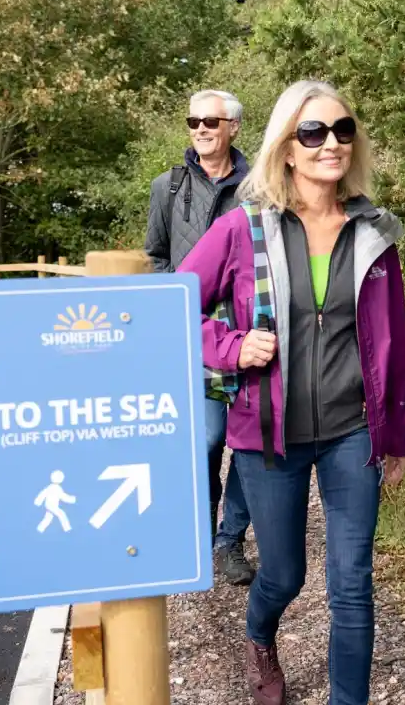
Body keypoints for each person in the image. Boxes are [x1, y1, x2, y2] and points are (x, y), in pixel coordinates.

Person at [178, 80, 405, 705]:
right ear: (286, 148)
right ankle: (260, 634)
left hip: (352, 433)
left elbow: (395, 340)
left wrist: (396, 435)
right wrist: (230, 348)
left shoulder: (374, 231)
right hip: (267, 437)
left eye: (342, 130)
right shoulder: (241, 229)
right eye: (313, 133)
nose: (330, 143)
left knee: (353, 582)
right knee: (283, 575)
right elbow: (169, 306)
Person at [144, 88, 256, 585]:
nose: (202, 129)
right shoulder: (166, 188)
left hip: (255, 330)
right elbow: (156, 258)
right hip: (196, 332)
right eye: (194, 121)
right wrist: (169, 313)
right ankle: (201, 531)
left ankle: (230, 539)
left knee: (253, 443)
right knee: (208, 439)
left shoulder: (262, 185)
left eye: (211, 121)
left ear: (234, 126)